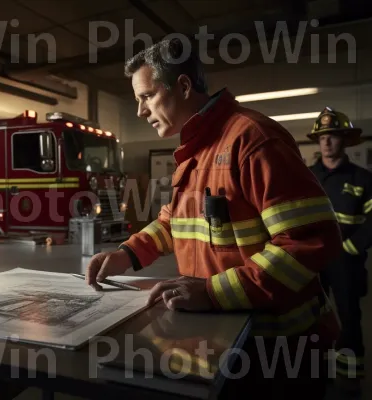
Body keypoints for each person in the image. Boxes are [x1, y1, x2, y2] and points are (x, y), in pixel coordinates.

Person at [85, 38, 342, 399]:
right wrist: (126, 254)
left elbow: (307, 242)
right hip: (224, 338)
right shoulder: (195, 149)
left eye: (146, 96)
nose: (140, 110)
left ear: (184, 86)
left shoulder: (252, 139)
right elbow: (174, 221)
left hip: (278, 350)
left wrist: (210, 291)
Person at [308, 107, 372, 398]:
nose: (327, 142)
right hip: (313, 261)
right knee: (311, 318)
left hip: (347, 261)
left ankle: (349, 379)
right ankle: (313, 371)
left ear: (345, 140)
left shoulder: (363, 179)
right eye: (323, 137)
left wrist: (351, 246)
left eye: (333, 136)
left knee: (348, 317)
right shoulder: (307, 178)